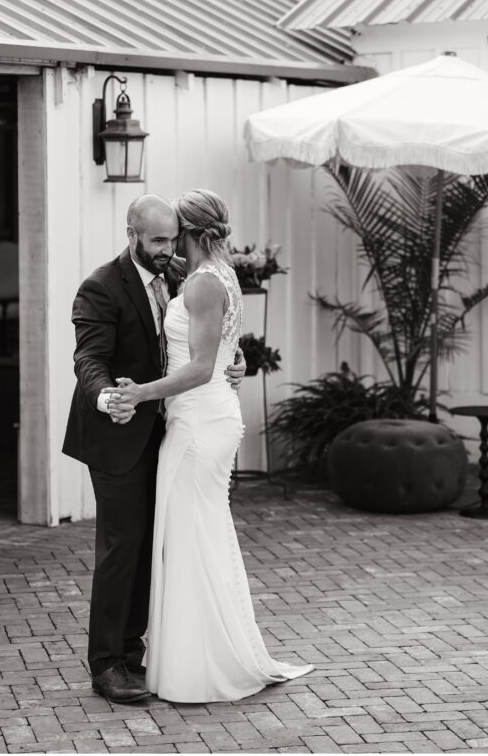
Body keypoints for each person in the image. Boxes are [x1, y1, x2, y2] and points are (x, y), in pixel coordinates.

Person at [113, 189, 313, 703]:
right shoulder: (220, 274)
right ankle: (209, 651)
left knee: (188, 541)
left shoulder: (203, 283)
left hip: (199, 424)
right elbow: (226, 350)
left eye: (176, 230)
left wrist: (141, 392)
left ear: (192, 233)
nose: (170, 241)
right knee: (200, 537)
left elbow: (202, 366)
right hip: (208, 416)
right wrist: (237, 362)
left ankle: (200, 665)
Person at [62, 194, 246, 703]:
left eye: (172, 239)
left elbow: (210, 335)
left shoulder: (182, 273)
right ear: (133, 234)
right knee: (122, 547)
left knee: (152, 543)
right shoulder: (100, 287)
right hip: (118, 433)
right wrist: (109, 398)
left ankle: (132, 649)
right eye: (158, 241)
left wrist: (237, 360)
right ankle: (106, 665)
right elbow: (89, 360)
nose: (169, 251)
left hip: (168, 431)